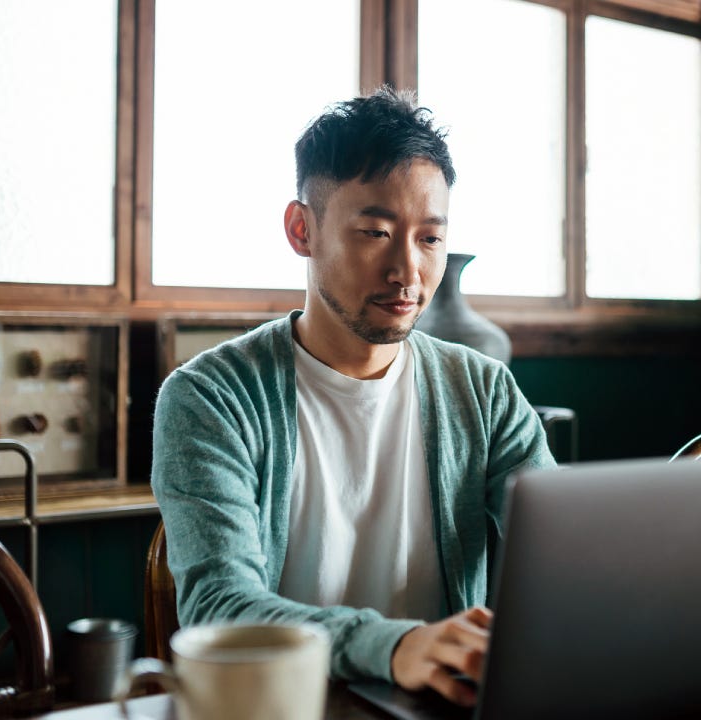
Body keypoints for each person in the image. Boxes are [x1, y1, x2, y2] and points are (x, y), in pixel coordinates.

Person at [150, 87, 555, 707]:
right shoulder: (209, 398)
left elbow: (561, 554)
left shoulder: (482, 389)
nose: (408, 272)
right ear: (301, 229)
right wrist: (394, 647)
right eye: (375, 232)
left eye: (430, 239)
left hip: (438, 707)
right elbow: (219, 606)